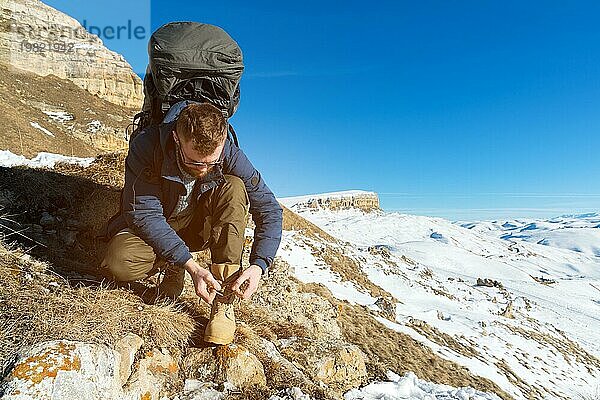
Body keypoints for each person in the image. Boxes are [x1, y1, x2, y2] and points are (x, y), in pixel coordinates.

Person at [101, 101, 283, 345]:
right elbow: (143, 213)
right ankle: (174, 263)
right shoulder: (146, 145)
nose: (205, 169)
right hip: (158, 223)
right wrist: (190, 265)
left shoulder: (228, 153)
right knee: (120, 262)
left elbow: (269, 207)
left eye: (213, 162)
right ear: (176, 139)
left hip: (197, 226)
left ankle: (223, 301)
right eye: (196, 162)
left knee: (234, 188)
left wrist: (259, 265)